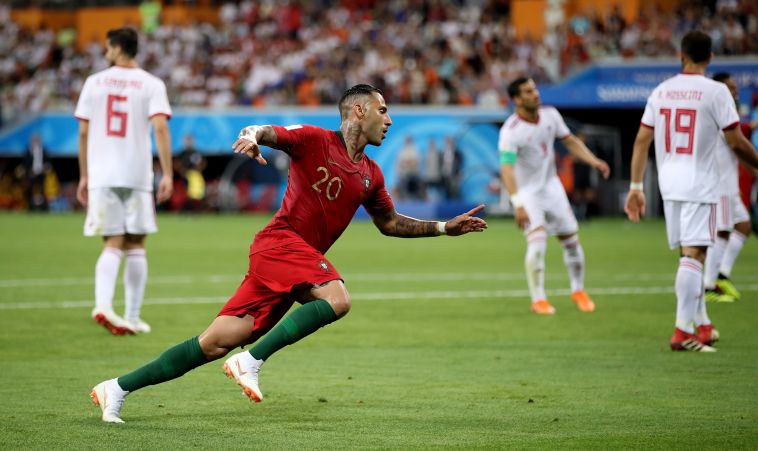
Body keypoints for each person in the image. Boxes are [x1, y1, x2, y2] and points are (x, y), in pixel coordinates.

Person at [90, 84, 488, 423]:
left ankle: (116, 388)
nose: (389, 120)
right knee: (337, 298)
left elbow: (389, 222)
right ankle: (251, 362)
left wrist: (442, 228)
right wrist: (251, 136)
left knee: (215, 343)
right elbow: (264, 130)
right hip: (280, 243)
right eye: (383, 110)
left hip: (292, 262)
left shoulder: (372, 174)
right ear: (359, 110)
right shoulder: (314, 139)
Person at [624, 31, 758, 352]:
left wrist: (636, 187)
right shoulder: (716, 91)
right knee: (695, 255)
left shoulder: (661, 90)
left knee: (691, 257)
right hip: (700, 183)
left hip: (668, 184)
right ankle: (682, 332)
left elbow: (641, 141)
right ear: (710, 57)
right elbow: (736, 142)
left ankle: (702, 323)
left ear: (680, 55)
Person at [74, 27, 173, 336]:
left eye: (107, 48)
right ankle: (132, 315)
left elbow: (83, 132)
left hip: (102, 174)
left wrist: (84, 174)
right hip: (136, 173)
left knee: (112, 241)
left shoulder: (94, 82)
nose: (106, 53)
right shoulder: (152, 83)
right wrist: (168, 173)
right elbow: (160, 128)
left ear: (117, 48)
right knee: (136, 243)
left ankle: (104, 305)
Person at [499, 77, 610, 315]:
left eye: (535, 89)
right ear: (516, 99)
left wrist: (593, 161)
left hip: (552, 187)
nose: (535, 94)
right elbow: (507, 169)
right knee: (537, 244)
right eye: (528, 92)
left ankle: (578, 290)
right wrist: (517, 203)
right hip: (528, 193)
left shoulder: (551, 115)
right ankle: (538, 299)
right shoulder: (511, 131)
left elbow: (570, 142)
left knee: (571, 242)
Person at [703, 73, 758, 303]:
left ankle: (722, 274)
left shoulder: (725, 111)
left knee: (744, 225)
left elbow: (737, 149)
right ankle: (709, 286)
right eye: (731, 88)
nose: (735, 92)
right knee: (722, 232)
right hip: (721, 185)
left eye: (735, 88)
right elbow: (737, 144)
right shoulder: (718, 111)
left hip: (729, 185)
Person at [23, 133, 50, 211]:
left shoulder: (44, 150)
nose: (36, 141)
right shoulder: (28, 150)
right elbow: (25, 163)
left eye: (37, 140)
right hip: (32, 174)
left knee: (43, 190)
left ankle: (44, 208)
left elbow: (48, 162)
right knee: (30, 190)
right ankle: (30, 208)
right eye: (34, 140)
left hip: (42, 173)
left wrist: (45, 168)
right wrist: (30, 171)